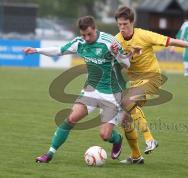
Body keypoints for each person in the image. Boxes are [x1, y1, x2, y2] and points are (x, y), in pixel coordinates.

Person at [112, 6, 188, 164]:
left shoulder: (145, 35)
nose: (122, 28)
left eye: (125, 24)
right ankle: (136, 156)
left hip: (152, 78)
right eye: (119, 24)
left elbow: (173, 41)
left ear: (132, 22)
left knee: (126, 101)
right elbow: (116, 60)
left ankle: (150, 139)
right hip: (136, 82)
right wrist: (114, 53)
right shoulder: (116, 40)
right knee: (125, 120)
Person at [23, 16, 133, 163]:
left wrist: (117, 54)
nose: (86, 38)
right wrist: (37, 50)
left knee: (105, 136)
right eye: (83, 35)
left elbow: (127, 64)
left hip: (111, 93)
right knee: (70, 118)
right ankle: (49, 153)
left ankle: (117, 139)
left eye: (89, 34)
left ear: (95, 29)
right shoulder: (79, 43)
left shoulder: (109, 42)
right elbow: (58, 51)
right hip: (91, 90)